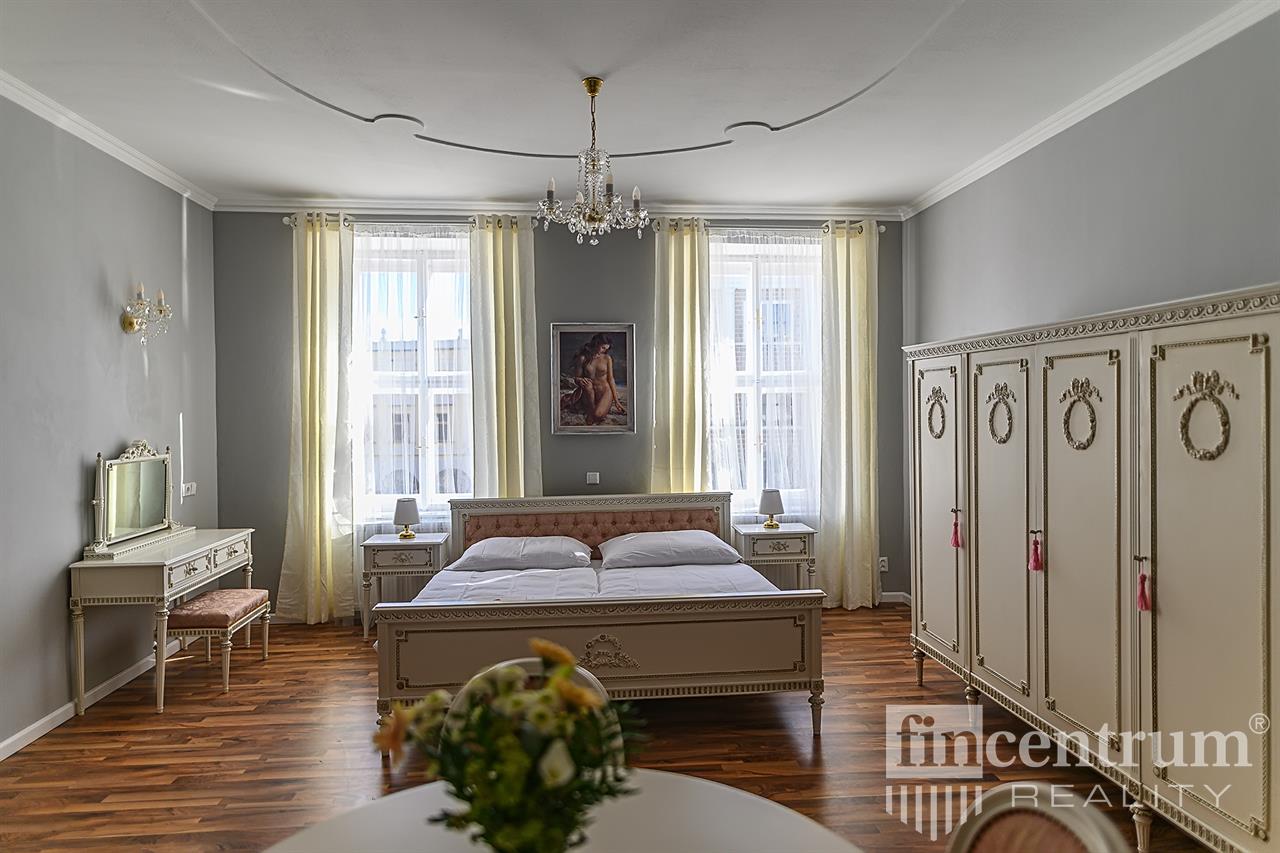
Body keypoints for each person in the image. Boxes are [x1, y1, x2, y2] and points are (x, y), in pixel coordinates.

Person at [562, 333, 626, 425]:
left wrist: (617, 401)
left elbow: (611, 379)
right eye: (603, 348)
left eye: (606, 349)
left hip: (605, 391)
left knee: (598, 415)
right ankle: (590, 408)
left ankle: (592, 410)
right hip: (589, 393)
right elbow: (577, 378)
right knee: (588, 385)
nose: (604, 351)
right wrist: (580, 380)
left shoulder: (607, 358)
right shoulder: (582, 358)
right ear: (596, 343)